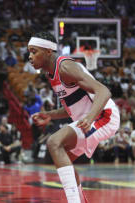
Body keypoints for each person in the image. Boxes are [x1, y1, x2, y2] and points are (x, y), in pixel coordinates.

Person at [28, 32, 120, 203]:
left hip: (104, 115)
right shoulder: (51, 74)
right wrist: (49, 115)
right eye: (29, 52)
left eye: (34, 51)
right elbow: (70, 108)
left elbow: (104, 91)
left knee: (54, 142)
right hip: (90, 117)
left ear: (48, 51)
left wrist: (91, 118)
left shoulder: (65, 67)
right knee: (65, 164)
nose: (30, 56)